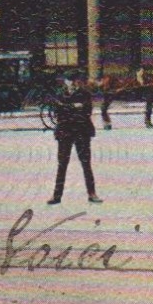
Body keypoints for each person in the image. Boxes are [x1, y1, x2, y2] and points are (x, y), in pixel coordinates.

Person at [48, 73, 101, 205]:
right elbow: (58, 113)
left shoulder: (84, 94)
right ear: (65, 82)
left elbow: (87, 112)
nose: (72, 83)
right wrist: (74, 107)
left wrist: (68, 108)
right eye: (69, 81)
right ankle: (57, 195)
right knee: (62, 165)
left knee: (86, 164)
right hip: (65, 132)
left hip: (81, 132)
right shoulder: (60, 94)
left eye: (74, 81)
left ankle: (92, 193)